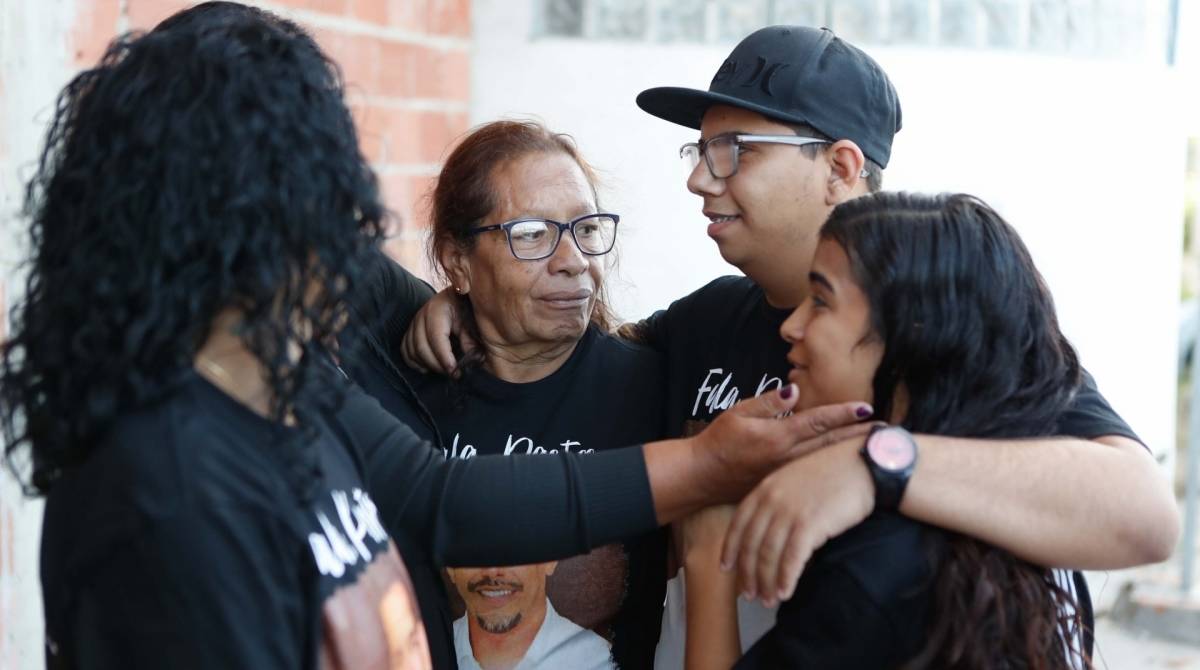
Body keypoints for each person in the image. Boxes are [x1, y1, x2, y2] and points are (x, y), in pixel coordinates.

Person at [0, 6, 874, 668]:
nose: (345, 230)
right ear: (218, 223)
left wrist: (732, 464)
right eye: (312, 191)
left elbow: (441, 498)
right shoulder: (166, 490)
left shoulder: (292, 384)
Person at [401, 25, 1179, 667]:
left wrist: (873, 465)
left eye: (733, 150)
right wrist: (468, 303)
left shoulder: (944, 336)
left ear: (840, 166)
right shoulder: (707, 320)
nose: (701, 182)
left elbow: (1142, 513)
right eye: (697, 154)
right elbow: (575, 350)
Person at [685, 191, 1102, 668]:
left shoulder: (872, 568)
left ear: (913, 336)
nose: (792, 326)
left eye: (820, 301)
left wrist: (708, 559)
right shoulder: (1028, 526)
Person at [345, 119, 667, 669]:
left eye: (585, 229)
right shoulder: (407, 392)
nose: (573, 261)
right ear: (456, 262)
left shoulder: (653, 389)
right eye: (533, 234)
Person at [447, 563, 612, 670]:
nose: (492, 572)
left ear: (550, 560)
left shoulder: (599, 662)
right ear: (450, 568)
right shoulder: (425, 655)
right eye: (472, 551)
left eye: (514, 549)